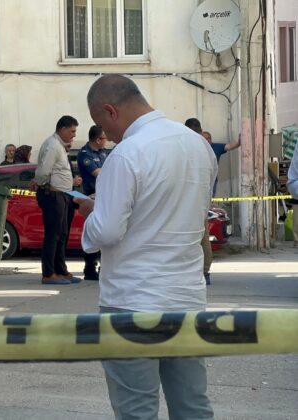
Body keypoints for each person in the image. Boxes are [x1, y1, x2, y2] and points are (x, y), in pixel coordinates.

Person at [76, 74, 216, 420]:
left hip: (132, 301)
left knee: (136, 409)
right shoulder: (197, 145)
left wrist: (92, 213)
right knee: (193, 405)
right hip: (187, 298)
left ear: (110, 111)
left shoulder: (126, 155)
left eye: (102, 126)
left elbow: (107, 231)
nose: (106, 136)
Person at [30, 116, 83, 285]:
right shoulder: (53, 145)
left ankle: (61, 270)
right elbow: (44, 170)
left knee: (62, 234)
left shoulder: (60, 146)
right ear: (63, 129)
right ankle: (48, 273)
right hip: (53, 195)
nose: (74, 136)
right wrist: (41, 184)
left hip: (63, 195)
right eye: (72, 131)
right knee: (53, 235)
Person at [184, 118, 216, 285]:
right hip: (202, 199)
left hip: (187, 199)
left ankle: (196, 271)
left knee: (190, 237)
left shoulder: (184, 146)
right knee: (203, 237)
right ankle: (205, 271)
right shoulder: (207, 148)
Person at [76, 125, 109, 280]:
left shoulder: (103, 152)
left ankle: (104, 267)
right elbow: (98, 173)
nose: (106, 141)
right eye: (104, 138)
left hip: (105, 197)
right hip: (91, 197)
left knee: (104, 232)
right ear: (97, 139)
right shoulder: (85, 154)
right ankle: (89, 268)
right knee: (93, 232)